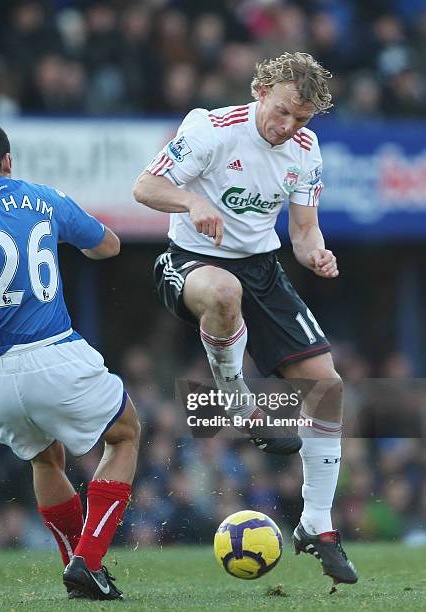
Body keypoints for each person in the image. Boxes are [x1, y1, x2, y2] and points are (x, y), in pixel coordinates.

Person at [133, 52, 357, 585]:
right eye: (281, 112)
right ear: (260, 90)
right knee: (224, 290)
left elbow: (303, 232)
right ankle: (236, 398)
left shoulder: (305, 149)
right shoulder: (209, 129)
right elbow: (144, 188)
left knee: (328, 387)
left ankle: (317, 526)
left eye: (300, 119)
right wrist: (189, 201)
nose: (287, 127)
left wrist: (316, 254)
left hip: (262, 269)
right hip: (191, 262)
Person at [0, 120, 140, 600]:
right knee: (125, 435)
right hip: (54, 352)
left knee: (45, 458)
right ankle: (88, 559)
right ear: (8, 162)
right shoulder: (43, 197)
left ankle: (81, 571)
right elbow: (107, 246)